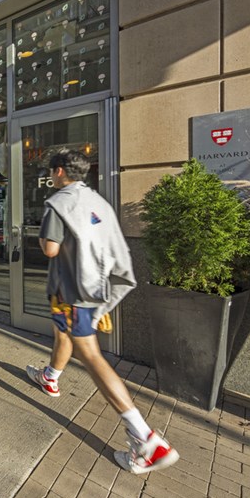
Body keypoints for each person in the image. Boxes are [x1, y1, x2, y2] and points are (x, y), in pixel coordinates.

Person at [24, 149, 179, 474]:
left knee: (92, 357)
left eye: (52, 172)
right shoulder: (98, 203)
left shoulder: (60, 203)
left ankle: (145, 439)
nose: (50, 177)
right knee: (63, 333)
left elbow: (51, 248)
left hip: (71, 291)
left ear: (61, 171)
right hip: (94, 289)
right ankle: (50, 377)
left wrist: (46, 235)